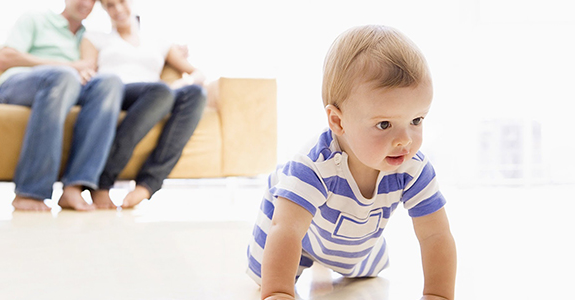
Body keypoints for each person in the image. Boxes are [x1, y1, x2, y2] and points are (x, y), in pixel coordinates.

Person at [246, 25, 457, 300]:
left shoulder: (413, 169)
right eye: (384, 124)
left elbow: (435, 235)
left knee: (359, 264)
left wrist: (438, 294)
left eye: (416, 120)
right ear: (337, 121)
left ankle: (342, 258)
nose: (404, 140)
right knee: (268, 269)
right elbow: (286, 230)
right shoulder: (312, 168)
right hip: (288, 230)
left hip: (355, 238)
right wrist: (279, 292)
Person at [0, 0, 124, 212]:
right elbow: (5, 58)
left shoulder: (88, 38)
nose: (85, 3)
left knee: (110, 83)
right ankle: (30, 190)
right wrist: (69, 67)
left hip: (67, 89)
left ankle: (75, 186)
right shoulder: (36, 18)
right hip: (18, 85)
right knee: (64, 77)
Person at [82, 0, 207, 209]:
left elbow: (198, 73)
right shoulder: (95, 38)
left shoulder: (158, 41)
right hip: (117, 92)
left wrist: (184, 82)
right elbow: (88, 69)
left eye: (122, 2)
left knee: (195, 93)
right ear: (104, 10)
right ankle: (102, 182)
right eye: (110, 5)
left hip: (155, 96)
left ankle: (148, 184)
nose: (118, 9)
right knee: (160, 90)